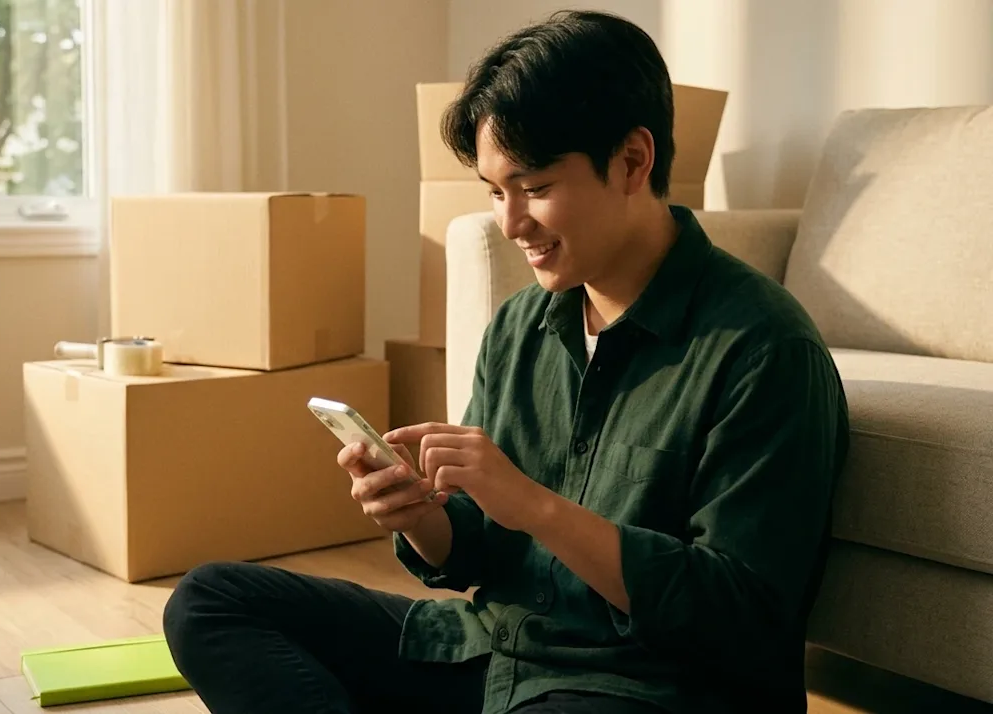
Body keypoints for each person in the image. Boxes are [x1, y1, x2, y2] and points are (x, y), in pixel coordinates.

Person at [162, 9, 849, 714]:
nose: (510, 223)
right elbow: (484, 553)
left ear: (634, 161)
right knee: (211, 601)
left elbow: (741, 616)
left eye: (537, 188)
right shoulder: (521, 327)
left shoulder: (764, 350)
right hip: (495, 656)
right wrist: (420, 517)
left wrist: (535, 506)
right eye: (496, 191)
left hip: (647, 685)